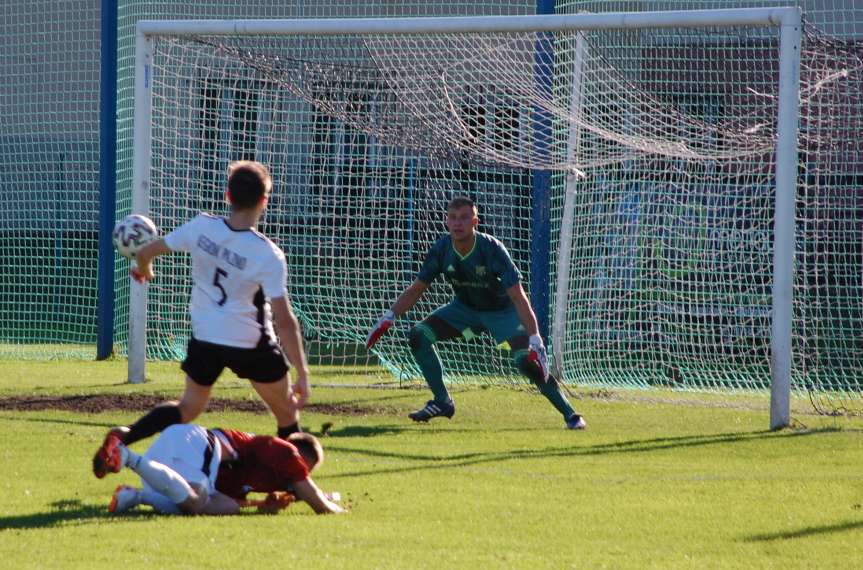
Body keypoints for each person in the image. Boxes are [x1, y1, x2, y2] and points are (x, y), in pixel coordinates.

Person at [93, 161, 311, 478]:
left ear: (227, 196)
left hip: (206, 336)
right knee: (286, 410)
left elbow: (147, 251)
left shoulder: (201, 227)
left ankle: (124, 438)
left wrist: (144, 270)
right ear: (264, 201)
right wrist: (302, 371)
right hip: (250, 341)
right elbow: (284, 319)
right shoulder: (268, 254)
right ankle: (291, 482)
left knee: (188, 407)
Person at [366, 196, 586, 430]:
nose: (458, 223)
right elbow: (417, 289)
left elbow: (518, 297)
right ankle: (442, 402)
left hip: (503, 313)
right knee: (419, 335)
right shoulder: (441, 249)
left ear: (475, 222)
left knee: (527, 364)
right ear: (446, 222)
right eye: (453, 218)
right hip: (465, 310)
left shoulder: (492, 249)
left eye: (464, 218)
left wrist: (535, 338)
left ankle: (571, 415)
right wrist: (389, 316)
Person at [105, 425, 344, 515]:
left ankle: (135, 495)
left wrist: (263, 505)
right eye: (304, 469)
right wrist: (331, 504)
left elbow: (232, 502)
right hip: (197, 443)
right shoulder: (285, 451)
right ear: (299, 455)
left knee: (221, 507)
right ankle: (127, 457)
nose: (301, 476)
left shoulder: (261, 476)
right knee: (197, 501)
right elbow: (317, 503)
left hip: (171, 467)